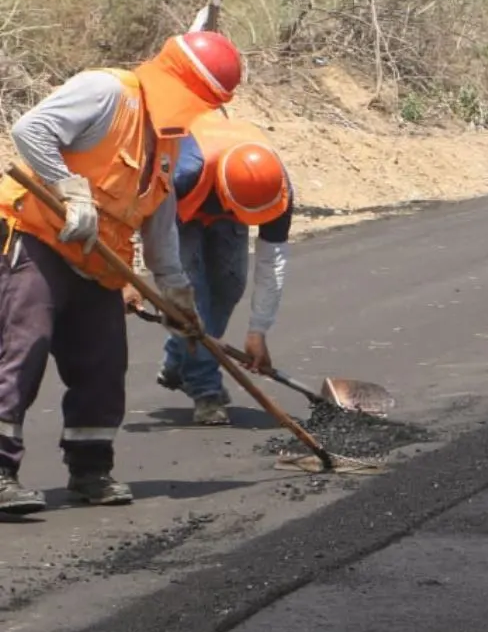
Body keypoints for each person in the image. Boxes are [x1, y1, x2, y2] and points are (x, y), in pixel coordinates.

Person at [0, 32, 242, 513]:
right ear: (184, 85)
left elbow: (159, 222)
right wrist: (71, 190)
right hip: (37, 237)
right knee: (23, 351)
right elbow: (31, 129)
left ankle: (91, 470)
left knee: (104, 366)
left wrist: (174, 291)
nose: (200, 111)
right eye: (202, 100)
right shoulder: (108, 92)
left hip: (97, 262)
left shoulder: (168, 141)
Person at [151, 110, 294, 426]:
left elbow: (273, 262)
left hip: (224, 198)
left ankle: (180, 358)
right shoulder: (182, 173)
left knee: (229, 286)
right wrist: (129, 277)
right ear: (225, 197)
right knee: (194, 298)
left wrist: (258, 331)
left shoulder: (275, 188)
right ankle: (206, 392)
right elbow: (144, 215)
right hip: (178, 212)